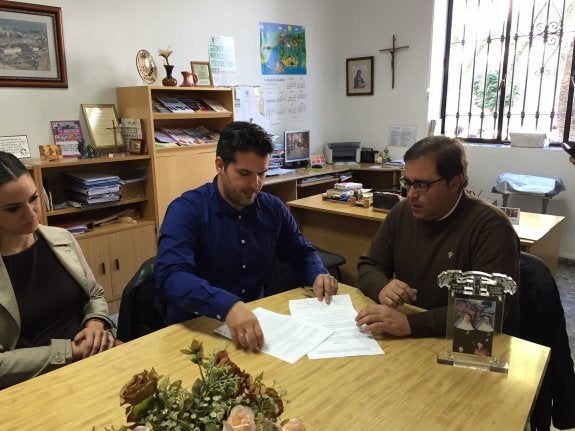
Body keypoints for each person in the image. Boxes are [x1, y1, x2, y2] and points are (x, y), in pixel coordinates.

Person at [156, 121, 338, 352]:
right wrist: (228, 306)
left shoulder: (272, 208)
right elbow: (171, 277)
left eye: (262, 173)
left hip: (253, 327)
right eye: (245, 174)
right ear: (220, 165)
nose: (256, 185)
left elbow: (300, 252)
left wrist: (318, 273)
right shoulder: (186, 210)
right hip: (194, 332)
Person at [355, 135, 520, 337]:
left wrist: (411, 324)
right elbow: (369, 265)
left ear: (455, 183)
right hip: (415, 336)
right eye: (407, 182)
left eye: (422, 185)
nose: (411, 194)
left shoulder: (492, 227)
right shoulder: (402, 212)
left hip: (469, 341)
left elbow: (489, 309)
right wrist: (381, 287)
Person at [0, 151, 118, 389]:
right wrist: (70, 351)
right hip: (36, 380)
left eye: (34, 199)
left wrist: (95, 323)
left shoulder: (60, 238)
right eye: (14, 209)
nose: (31, 213)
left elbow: (94, 294)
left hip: (93, 353)